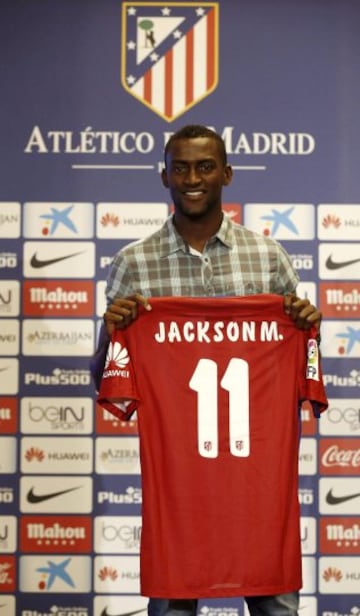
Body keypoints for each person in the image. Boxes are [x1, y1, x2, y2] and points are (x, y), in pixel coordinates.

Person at [91, 125, 323, 616]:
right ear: (164, 177)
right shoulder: (133, 263)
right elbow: (107, 379)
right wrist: (113, 333)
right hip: (180, 484)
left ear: (227, 174)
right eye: (180, 168)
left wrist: (305, 328)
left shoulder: (268, 256)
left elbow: (299, 367)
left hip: (257, 481)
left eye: (204, 166)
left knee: (275, 604)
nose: (192, 178)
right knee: (174, 603)